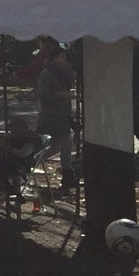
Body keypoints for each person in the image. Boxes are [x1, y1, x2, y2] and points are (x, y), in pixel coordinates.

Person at [35, 45, 77, 187]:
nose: (64, 59)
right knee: (56, 145)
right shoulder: (46, 74)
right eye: (61, 56)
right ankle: (34, 160)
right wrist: (61, 95)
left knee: (64, 145)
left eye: (64, 56)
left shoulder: (65, 72)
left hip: (63, 114)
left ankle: (67, 173)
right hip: (51, 116)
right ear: (54, 58)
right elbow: (43, 95)